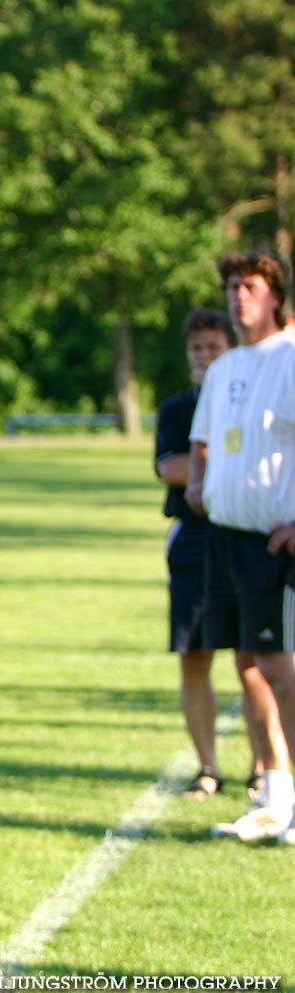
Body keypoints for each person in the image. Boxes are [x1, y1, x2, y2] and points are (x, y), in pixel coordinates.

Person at [187, 249, 295, 842]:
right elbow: (203, 438)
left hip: (272, 541)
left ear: (274, 295)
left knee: (281, 668)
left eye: (250, 286)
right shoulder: (227, 367)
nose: (238, 297)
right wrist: (201, 480)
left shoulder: (291, 358)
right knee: (248, 665)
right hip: (224, 539)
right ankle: (274, 795)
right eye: (232, 286)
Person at [155, 308, 269, 798]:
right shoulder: (179, 409)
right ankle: (207, 767)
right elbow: (171, 467)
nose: (204, 357)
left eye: (212, 347)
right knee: (194, 655)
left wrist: (207, 463)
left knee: (256, 658)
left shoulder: (253, 401)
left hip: (246, 535)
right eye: (196, 348)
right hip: (194, 541)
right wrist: (218, 462)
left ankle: (265, 764)